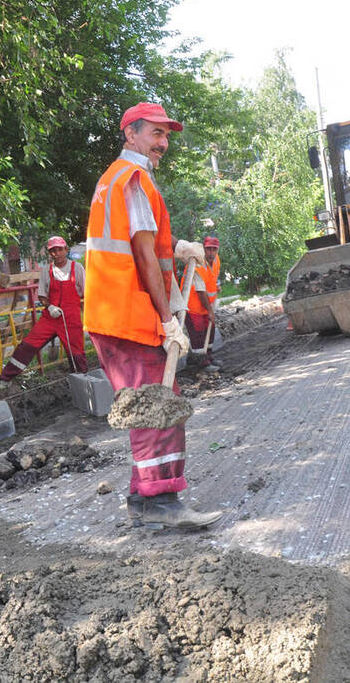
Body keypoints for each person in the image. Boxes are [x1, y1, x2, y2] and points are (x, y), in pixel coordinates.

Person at [84, 101, 222, 530]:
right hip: (129, 314)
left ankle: (143, 498)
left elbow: (142, 243)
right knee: (156, 407)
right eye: (156, 134)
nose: (163, 143)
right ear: (131, 134)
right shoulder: (135, 179)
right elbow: (142, 254)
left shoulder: (115, 178)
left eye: (166, 135)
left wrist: (177, 247)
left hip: (114, 312)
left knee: (149, 406)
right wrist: (167, 319)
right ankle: (160, 501)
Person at [0, 236, 87, 388]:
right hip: (50, 317)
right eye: (53, 251)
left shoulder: (77, 269)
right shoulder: (47, 271)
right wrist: (49, 307)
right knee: (28, 345)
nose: (57, 253)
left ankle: (82, 383)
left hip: (70, 318)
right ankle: (5, 379)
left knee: (76, 352)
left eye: (60, 249)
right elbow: (42, 295)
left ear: (66, 250)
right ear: (50, 253)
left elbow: (86, 293)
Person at [183, 236, 221, 372]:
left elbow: (213, 278)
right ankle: (202, 363)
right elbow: (201, 292)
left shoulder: (216, 261)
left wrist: (217, 286)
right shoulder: (197, 265)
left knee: (209, 332)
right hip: (193, 307)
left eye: (214, 249)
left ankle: (209, 357)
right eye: (208, 249)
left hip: (206, 306)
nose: (211, 252)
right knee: (198, 335)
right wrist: (210, 311)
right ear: (203, 249)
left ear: (217, 250)